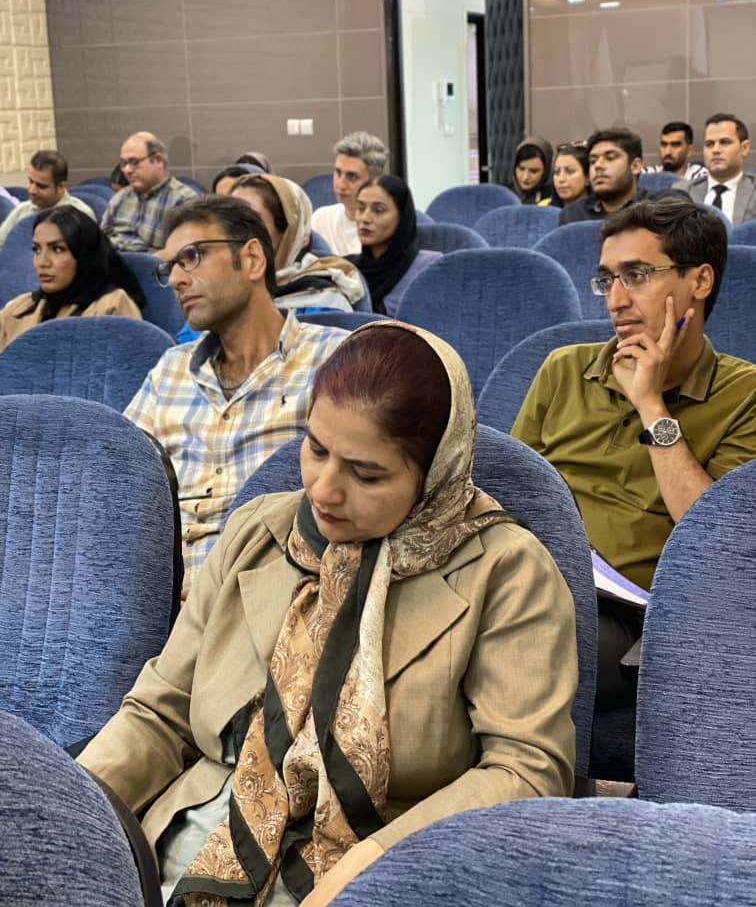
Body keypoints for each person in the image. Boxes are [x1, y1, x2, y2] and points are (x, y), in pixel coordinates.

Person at [78, 320, 578, 907]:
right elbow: (161, 715)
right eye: (315, 449)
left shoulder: (507, 573)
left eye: (366, 473)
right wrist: (67, 809)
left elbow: (527, 770)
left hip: (386, 859)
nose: (323, 490)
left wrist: (381, 860)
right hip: (192, 838)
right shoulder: (258, 532)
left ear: (434, 472)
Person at [511, 197, 756, 705]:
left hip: (629, 615)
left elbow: (715, 539)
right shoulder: (563, 369)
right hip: (527, 577)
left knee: (523, 651)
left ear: (700, 281)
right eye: (607, 279)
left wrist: (651, 406)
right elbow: (510, 495)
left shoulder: (745, 395)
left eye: (636, 276)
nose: (615, 300)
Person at [124, 195, 347, 589]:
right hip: (160, 589)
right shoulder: (170, 369)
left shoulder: (333, 360)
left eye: (191, 257)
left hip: (270, 587)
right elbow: (122, 481)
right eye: (169, 267)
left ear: (252, 259)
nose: (175, 280)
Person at [0, 204, 144, 351]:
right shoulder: (20, 306)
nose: (42, 262)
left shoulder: (113, 306)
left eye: (57, 249)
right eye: (37, 250)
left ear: (84, 255)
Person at [231, 173, 365, 311]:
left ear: (287, 233)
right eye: (230, 222)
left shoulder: (323, 302)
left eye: (251, 222)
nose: (234, 233)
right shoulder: (224, 288)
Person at [347, 175, 440, 316]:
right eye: (360, 208)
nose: (365, 218)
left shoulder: (428, 266)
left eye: (378, 210)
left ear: (402, 217)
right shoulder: (348, 269)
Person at [101, 131, 197, 252]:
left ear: (158, 160)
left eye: (134, 162)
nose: (127, 170)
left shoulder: (184, 201)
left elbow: (185, 253)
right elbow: (101, 241)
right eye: (124, 163)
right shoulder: (120, 198)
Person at [0, 150, 96, 249]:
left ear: (61, 187)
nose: (32, 190)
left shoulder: (82, 215)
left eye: (41, 186)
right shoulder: (21, 211)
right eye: (31, 181)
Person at [311, 131, 388, 255]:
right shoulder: (321, 219)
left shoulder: (386, 228)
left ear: (373, 181)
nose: (341, 185)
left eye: (352, 176)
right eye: (338, 173)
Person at [677, 112, 756, 225]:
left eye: (725, 142)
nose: (716, 150)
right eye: (709, 144)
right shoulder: (683, 191)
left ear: (744, 148)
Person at [559, 127, 647, 224]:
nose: (598, 165)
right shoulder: (572, 214)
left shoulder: (656, 207)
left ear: (635, 166)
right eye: (593, 161)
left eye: (610, 158)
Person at [508, 136, 553, 205]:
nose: (525, 177)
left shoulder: (556, 198)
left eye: (533, 171)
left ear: (546, 171)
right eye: (521, 169)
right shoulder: (504, 194)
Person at [550, 143, 590, 208]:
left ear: (588, 178)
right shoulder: (543, 210)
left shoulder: (604, 212)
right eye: (556, 172)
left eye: (570, 171)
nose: (561, 179)